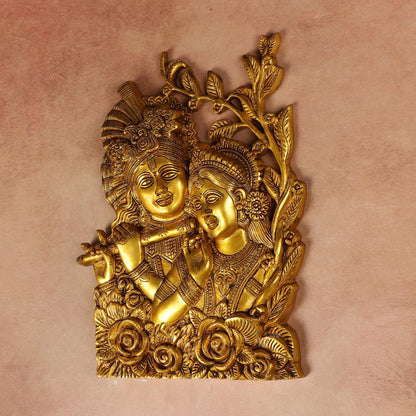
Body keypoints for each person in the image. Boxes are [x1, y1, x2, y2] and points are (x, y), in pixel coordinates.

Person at [78, 82, 212, 308]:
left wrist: (136, 266)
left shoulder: (209, 225)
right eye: (147, 182)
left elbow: (168, 308)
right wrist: (108, 282)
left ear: (188, 173)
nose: (160, 189)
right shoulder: (133, 242)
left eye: (168, 174)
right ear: (134, 195)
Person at [151, 139, 275, 322]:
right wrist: (196, 278)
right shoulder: (195, 259)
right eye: (198, 205)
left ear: (239, 198)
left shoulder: (264, 261)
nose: (204, 211)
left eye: (211, 198)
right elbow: (157, 317)